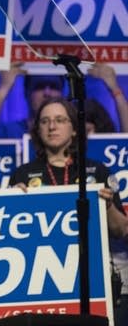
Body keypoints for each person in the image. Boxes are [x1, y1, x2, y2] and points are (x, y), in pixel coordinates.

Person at [9, 96, 127, 234]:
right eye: (44, 121)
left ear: (74, 129)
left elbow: (122, 230)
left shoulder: (98, 171)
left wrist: (108, 206)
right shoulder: (22, 174)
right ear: (38, 130)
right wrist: (14, 202)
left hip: (89, 254)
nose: (52, 127)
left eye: (60, 120)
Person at [0, 63, 65, 139]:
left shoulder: (69, 132)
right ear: (26, 92)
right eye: (39, 86)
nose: (47, 93)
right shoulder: (10, 132)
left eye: (54, 86)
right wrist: (4, 87)